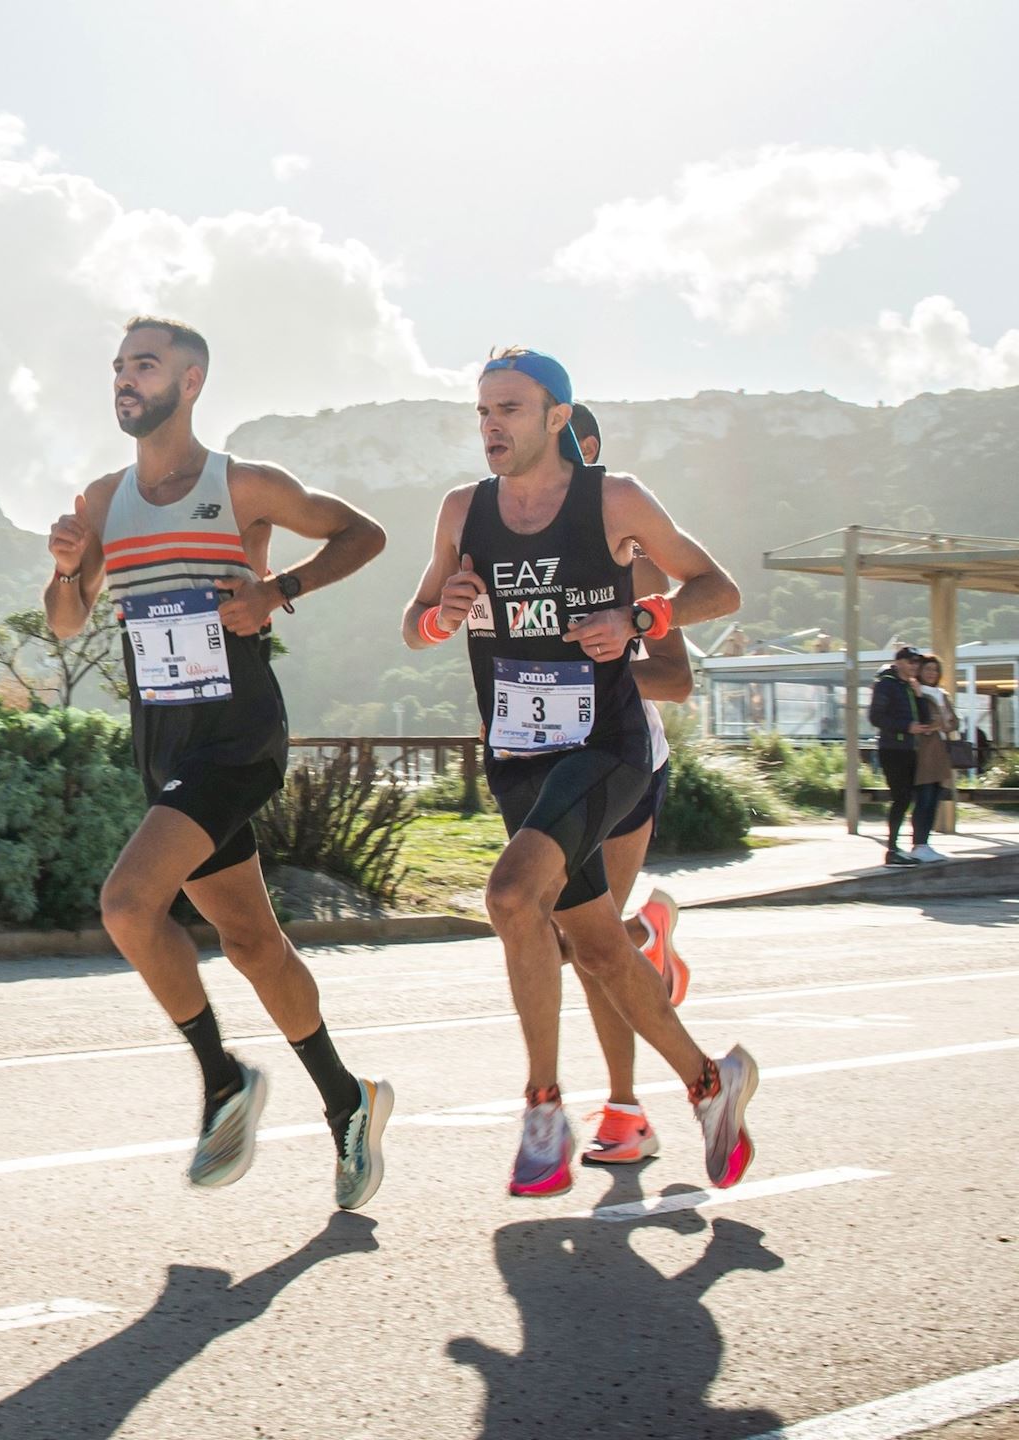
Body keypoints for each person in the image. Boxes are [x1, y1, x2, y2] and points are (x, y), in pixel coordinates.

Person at [46, 316, 393, 1210]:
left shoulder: (242, 487)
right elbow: (64, 621)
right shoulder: (99, 502)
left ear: (190, 381)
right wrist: (64, 568)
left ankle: (222, 1078)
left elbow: (363, 534)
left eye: (145, 366)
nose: (125, 380)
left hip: (236, 734)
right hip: (162, 743)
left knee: (127, 902)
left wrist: (280, 591)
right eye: (118, 368)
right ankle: (348, 1102)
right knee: (252, 943)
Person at [401, 348, 757, 1198]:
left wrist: (640, 614)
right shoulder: (462, 510)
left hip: (605, 746)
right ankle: (712, 1084)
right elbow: (414, 622)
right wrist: (436, 617)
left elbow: (719, 587)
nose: (492, 426)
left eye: (511, 410)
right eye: (483, 411)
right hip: (517, 757)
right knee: (597, 947)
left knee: (511, 896)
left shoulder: (616, 500)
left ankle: (543, 1109)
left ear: (559, 417)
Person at [568, 402, 693, 1165]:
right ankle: (649, 939)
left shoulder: (634, 558)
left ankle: (626, 1113)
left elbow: (676, 681)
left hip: (624, 760)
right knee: (581, 940)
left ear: (582, 450)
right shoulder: (502, 541)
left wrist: (609, 662)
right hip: (544, 762)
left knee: (590, 945)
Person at [868, 645, 937, 867]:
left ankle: (914, 846)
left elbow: (924, 720)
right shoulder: (886, 685)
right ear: (898, 662)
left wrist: (918, 696)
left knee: (912, 797)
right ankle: (892, 849)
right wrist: (906, 727)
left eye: (916, 663)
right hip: (892, 749)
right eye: (910, 662)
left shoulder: (910, 686)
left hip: (910, 749)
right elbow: (876, 717)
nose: (914, 667)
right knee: (901, 798)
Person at [911, 654, 959, 862]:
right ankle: (918, 843)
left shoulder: (941, 694)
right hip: (924, 752)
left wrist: (942, 723)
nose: (931, 673)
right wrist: (939, 723)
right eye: (928, 669)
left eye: (935, 670)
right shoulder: (916, 692)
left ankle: (925, 842)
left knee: (935, 798)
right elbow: (924, 722)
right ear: (921, 671)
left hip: (941, 752)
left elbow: (953, 722)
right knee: (924, 797)